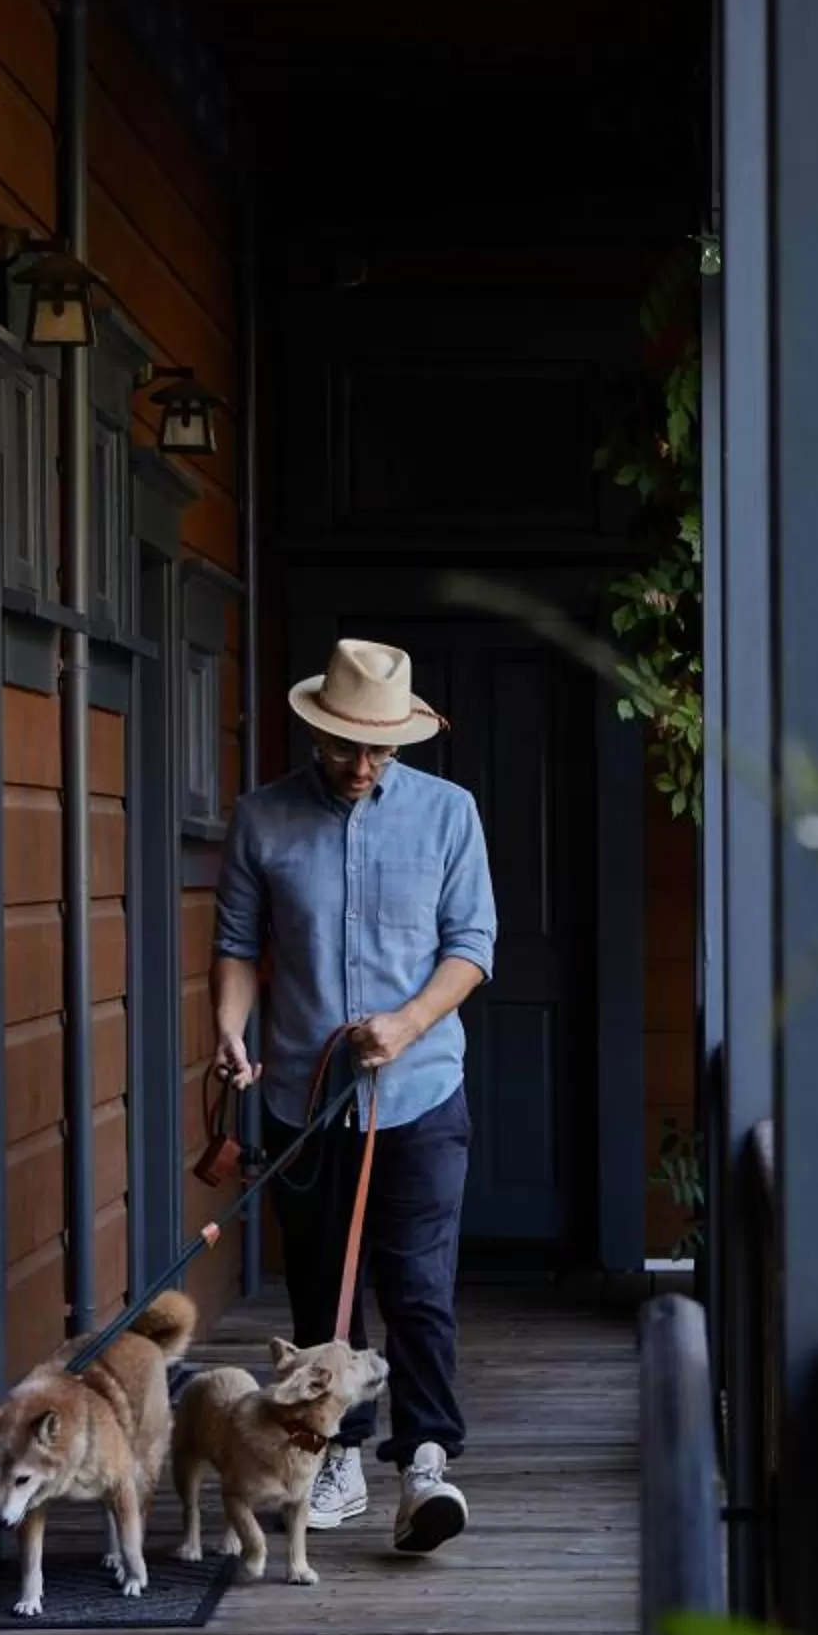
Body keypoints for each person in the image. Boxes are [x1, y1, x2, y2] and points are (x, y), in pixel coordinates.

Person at [209, 637, 497, 1553]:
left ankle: (424, 1463)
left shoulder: (451, 815)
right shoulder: (262, 819)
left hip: (420, 1090)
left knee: (418, 1285)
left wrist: (409, 1024)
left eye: (380, 748)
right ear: (315, 730)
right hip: (304, 1094)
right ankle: (334, 1455)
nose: (363, 764)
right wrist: (229, 1029)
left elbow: (472, 946)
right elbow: (239, 945)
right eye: (345, 746)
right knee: (322, 1293)